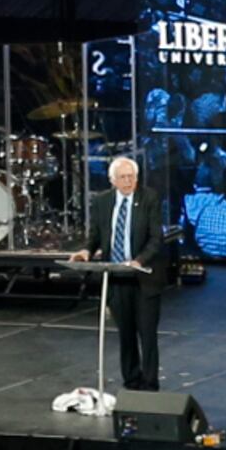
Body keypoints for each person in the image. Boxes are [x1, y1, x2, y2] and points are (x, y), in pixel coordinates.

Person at [77, 154, 169, 391]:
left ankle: (150, 384)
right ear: (113, 180)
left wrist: (138, 260)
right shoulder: (102, 202)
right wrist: (86, 251)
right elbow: (95, 236)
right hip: (116, 278)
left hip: (143, 276)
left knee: (147, 334)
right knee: (125, 334)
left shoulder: (149, 199)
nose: (128, 181)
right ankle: (131, 381)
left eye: (132, 177)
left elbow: (156, 238)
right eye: (123, 177)